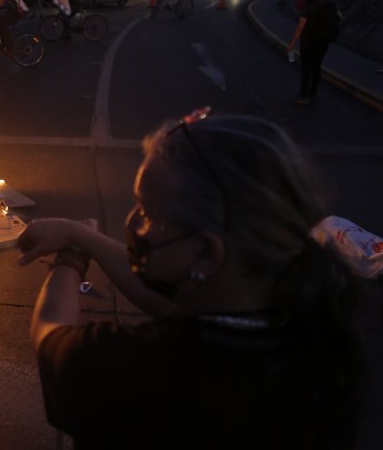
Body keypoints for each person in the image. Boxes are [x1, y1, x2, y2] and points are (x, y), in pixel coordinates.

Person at [19, 111, 366, 449]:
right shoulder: (320, 339)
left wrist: (70, 257)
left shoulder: (138, 373)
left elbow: (50, 336)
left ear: (206, 254)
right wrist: (84, 236)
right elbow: (172, 307)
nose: (133, 222)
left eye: (149, 213)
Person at [287, 0, 339, 105]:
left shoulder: (309, 6)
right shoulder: (329, 4)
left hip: (308, 41)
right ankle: (312, 94)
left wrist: (292, 44)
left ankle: (303, 95)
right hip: (323, 42)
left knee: (306, 69)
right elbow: (339, 19)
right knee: (316, 67)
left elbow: (300, 27)